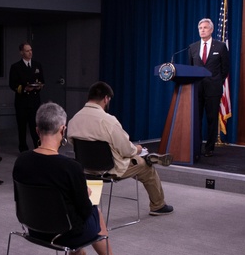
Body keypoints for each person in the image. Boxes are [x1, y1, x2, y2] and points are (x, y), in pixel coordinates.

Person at [13, 103, 131, 255]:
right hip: (65, 233)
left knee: (71, 209)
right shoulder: (71, 167)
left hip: (34, 230)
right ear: (63, 129)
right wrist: (87, 195)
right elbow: (85, 212)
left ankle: (77, 252)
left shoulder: (21, 161)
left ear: (37, 130)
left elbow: (21, 200)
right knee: (95, 211)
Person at [67, 82, 173, 216]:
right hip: (110, 169)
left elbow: (73, 143)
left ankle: (91, 208)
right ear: (106, 99)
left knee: (104, 160)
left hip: (86, 168)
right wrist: (137, 149)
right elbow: (126, 150)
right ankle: (158, 205)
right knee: (145, 166)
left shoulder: (74, 119)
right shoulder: (108, 120)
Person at [189, 18, 230, 158]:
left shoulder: (220, 46)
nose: (202, 30)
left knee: (212, 119)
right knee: (196, 119)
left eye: (205, 27)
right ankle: (196, 147)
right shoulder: (192, 47)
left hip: (213, 88)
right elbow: (190, 69)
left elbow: (225, 69)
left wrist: (216, 81)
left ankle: (209, 148)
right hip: (196, 89)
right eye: (200, 28)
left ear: (211, 30)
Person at [7, 42, 44, 152]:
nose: (30, 52)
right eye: (27, 51)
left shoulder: (37, 65)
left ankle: (38, 148)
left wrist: (38, 87)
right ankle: (23, 149)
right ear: (21, 52)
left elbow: (42, 80)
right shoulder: (16, 67)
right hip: (22, 101)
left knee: (35, 126)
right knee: (22, 127)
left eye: (31, 50)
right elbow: (12, 84)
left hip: (34, 100)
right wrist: (24, 89)